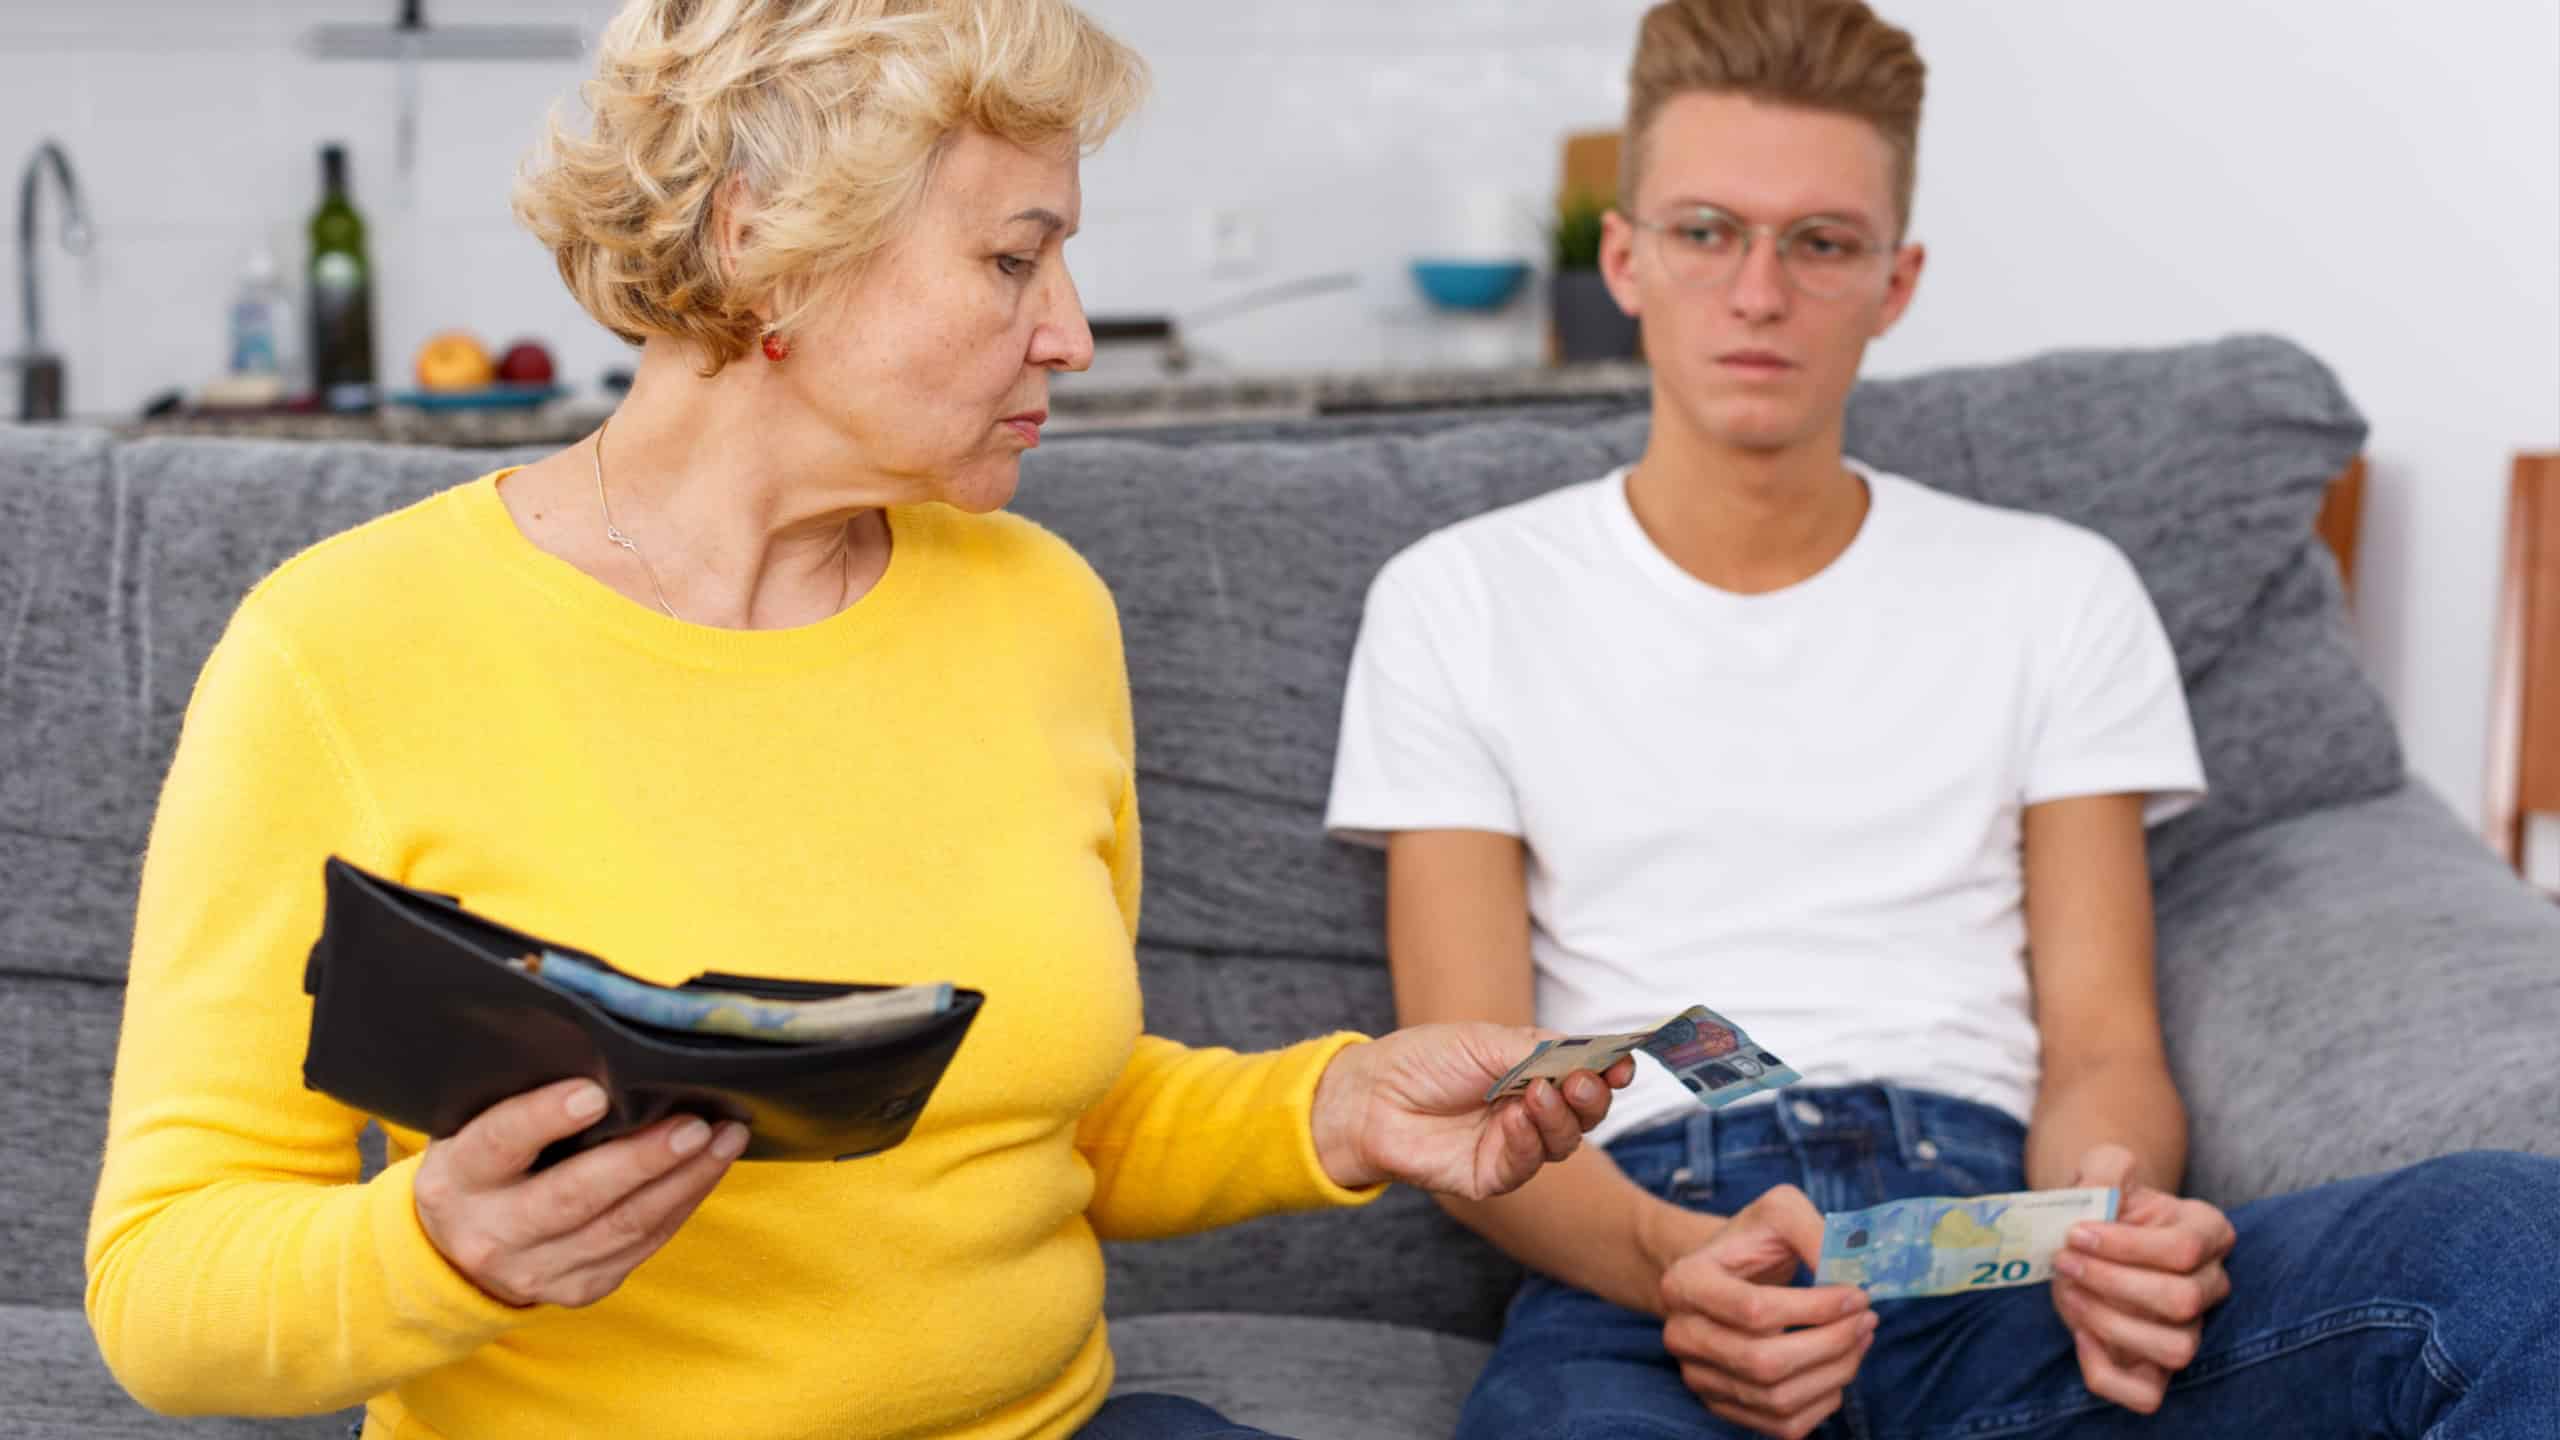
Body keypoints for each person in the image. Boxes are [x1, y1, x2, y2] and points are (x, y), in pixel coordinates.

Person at [80, 4, 1633, 1437]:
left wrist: (1339, 1102)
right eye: (1015, 261)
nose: (1073, 333)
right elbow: (163, 1287)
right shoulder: (344, 647)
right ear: (771, 248)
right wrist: (434, 1248)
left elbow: (1056, 1118)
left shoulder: (1041, 608)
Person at [1324, 1, 2560, 1437]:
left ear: (1896, 280)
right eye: (1709, 231)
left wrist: (2111, 1224)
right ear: (1626, 259)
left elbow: (2100, 1041)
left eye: (1822, 243)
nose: (1761, 292)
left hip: (1996, 1245)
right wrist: (1671, 1267)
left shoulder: (2055, 588)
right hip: (1648, 1262)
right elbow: (1474, 1075)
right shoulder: (1459, 597)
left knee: (2511, 1244)